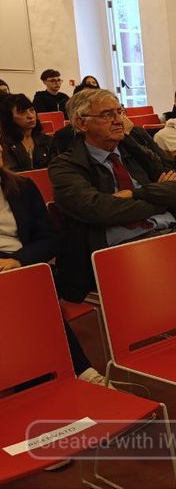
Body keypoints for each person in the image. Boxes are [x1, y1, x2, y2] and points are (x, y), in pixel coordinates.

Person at [48, 89, 176, 303]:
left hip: (168, 230)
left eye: (119, 112)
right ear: (81, 123)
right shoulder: (65, 166)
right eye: (107, 114)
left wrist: (136, 193)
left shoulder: (134, 151)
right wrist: (161, 201)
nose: (119, 120)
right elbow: (100, 210)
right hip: (116, 248)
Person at [0, 159, 104, 386]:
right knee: (25, 296)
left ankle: (57, 378)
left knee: (27, 291)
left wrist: (19, 260)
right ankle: (80, 372)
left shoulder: (22, 187)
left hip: (23, 265)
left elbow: (49, 239)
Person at [1, 93, 54, 171]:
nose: (30, 116)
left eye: (32, 110)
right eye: (22, 112)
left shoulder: (47, 140)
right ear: (10, 118)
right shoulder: (4, 144)